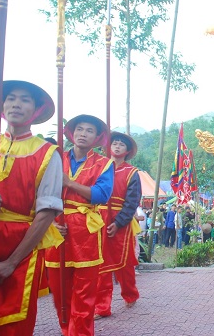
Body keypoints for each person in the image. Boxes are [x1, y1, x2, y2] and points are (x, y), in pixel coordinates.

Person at [0, 81, 62, 335]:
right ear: (2, 106)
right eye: (11, 98)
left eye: (25, 100)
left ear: (36, 109)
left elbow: (46, 213)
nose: (16, 104)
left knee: (14, 324)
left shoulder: (48, 154)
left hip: (19, 246)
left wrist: (12, 262)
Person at [45, 114, 114, 336]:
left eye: (89, 131)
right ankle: (67, 330)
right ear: (72, 133)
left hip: (86, 229)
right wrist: (52, 223)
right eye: (80, 129)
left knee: (84, 292)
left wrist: (69, 183)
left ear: (97, 137)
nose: (83, 133)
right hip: (56, 226)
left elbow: (101, 195)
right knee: (59, 289)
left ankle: (81, 333)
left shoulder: (104, 164)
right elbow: (41, 192)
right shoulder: (54, 158)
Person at [95, 132, 142, 319]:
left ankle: (130, 295)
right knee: (101, 264)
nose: (117, 146)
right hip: (98, 218)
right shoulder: (99, 168)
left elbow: (132, 202)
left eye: (121, 145)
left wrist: (118, 222)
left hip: (120, 219)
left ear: (127, 150)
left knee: (125, 262)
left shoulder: (132, 173)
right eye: (114, 143)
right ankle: (102, 307)